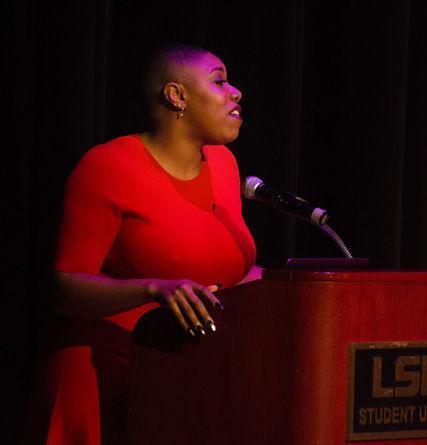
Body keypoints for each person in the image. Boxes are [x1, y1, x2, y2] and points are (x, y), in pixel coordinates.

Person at [30, 43, 260, 444]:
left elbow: (222, 272)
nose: (235, 91)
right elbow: (61, 287)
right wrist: (154, 289)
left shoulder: (224, 163)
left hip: (186, 373)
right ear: (176, 96)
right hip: (107, 373)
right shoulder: (107, 167)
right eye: (220, 81)